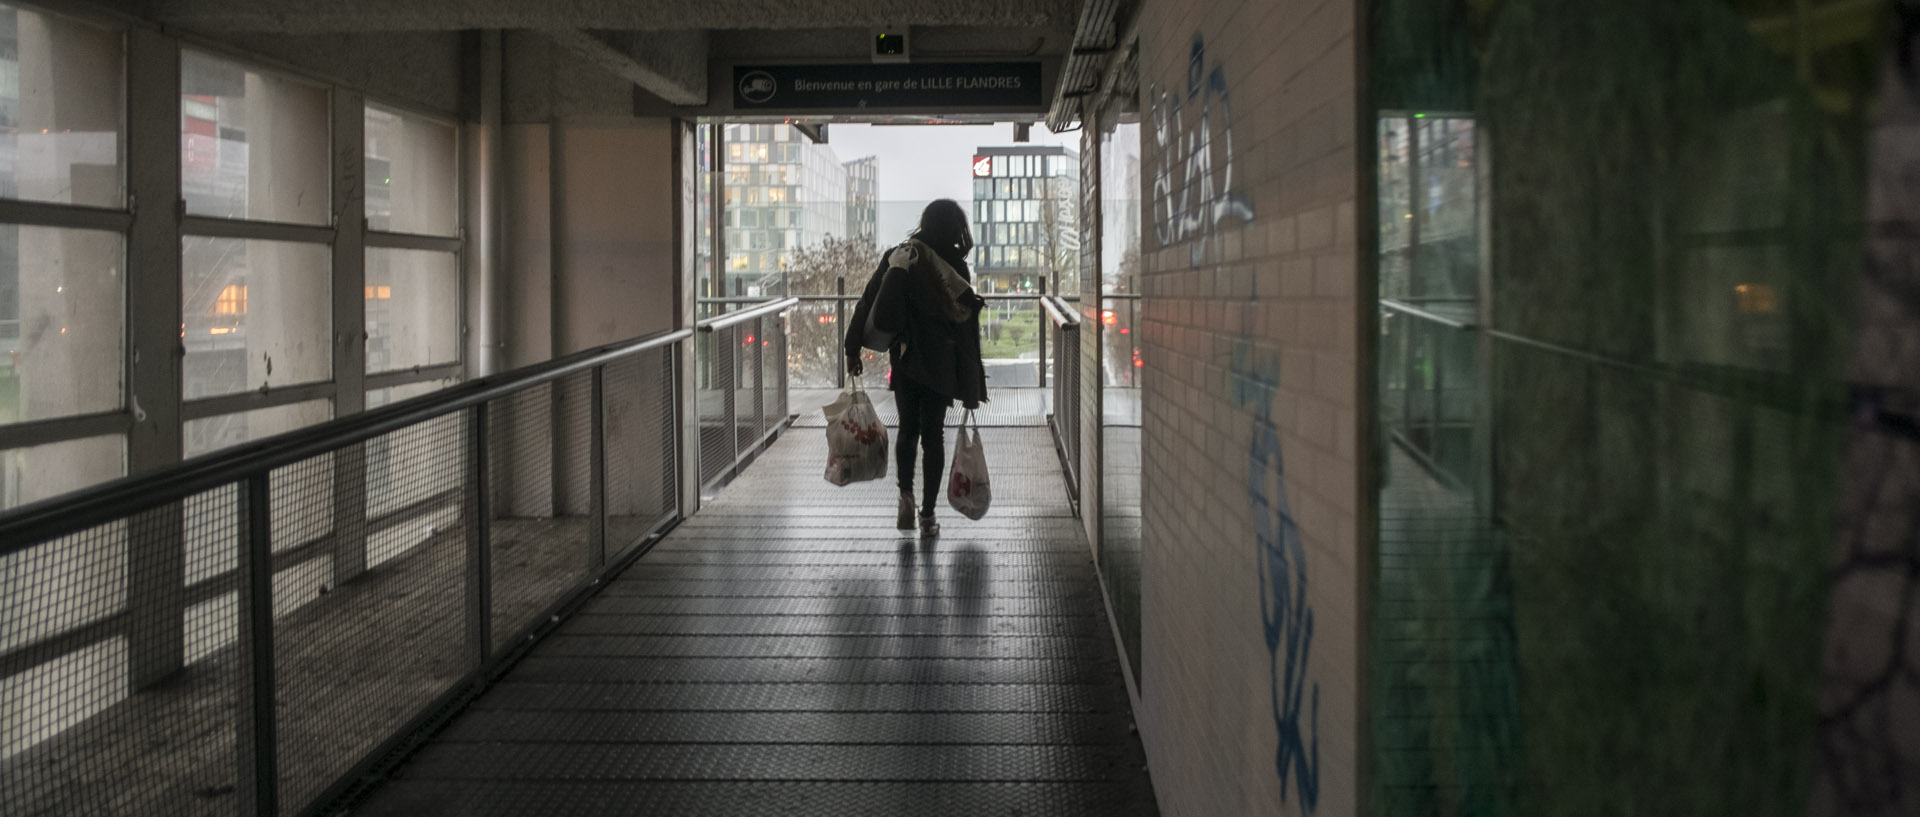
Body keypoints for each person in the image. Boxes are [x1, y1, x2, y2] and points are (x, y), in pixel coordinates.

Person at [845, 199, 988, 537]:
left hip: (905, 359)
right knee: (933, 435)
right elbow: (965, 328)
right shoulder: (955, 266)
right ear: (955, 228)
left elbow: (868, 300)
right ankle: (927, 516)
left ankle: (905, 498)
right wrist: (971, 386)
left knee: (908, 430)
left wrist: (852, 348)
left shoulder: (900, 255)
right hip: (940, 362)